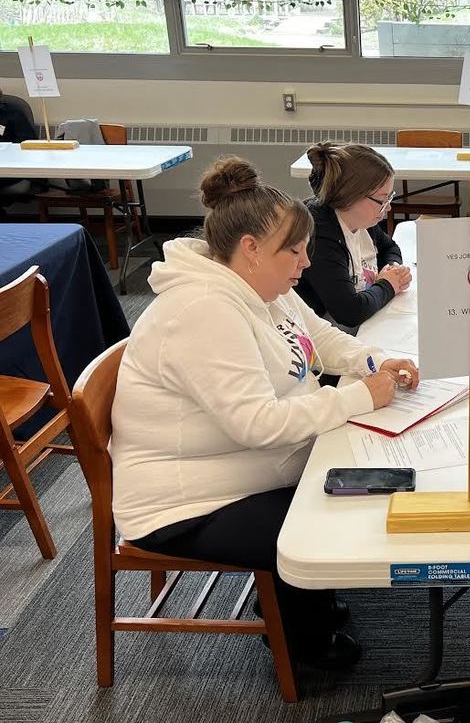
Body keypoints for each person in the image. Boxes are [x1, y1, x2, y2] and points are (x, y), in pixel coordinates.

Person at [109, 156, 419, 668]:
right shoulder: (203, 310)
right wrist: (360, 396)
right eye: (294, 251)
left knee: (355, 483)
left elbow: (318, 337)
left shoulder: (253, 285)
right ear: (250, 249)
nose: (304, 263)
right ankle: (303, 648)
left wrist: (376, 360)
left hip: (235, 468)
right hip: (183, 505)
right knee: (329, 518)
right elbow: (258, 425)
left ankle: (303, 603)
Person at [295, 142, 413, 331]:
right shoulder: (318, 235)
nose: (388, 208)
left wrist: (393, 269)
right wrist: (388, 285)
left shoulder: (360, 219)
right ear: (351, 196)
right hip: (319, 330)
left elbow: (389, 247)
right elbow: (350, 312)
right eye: (383, 200)